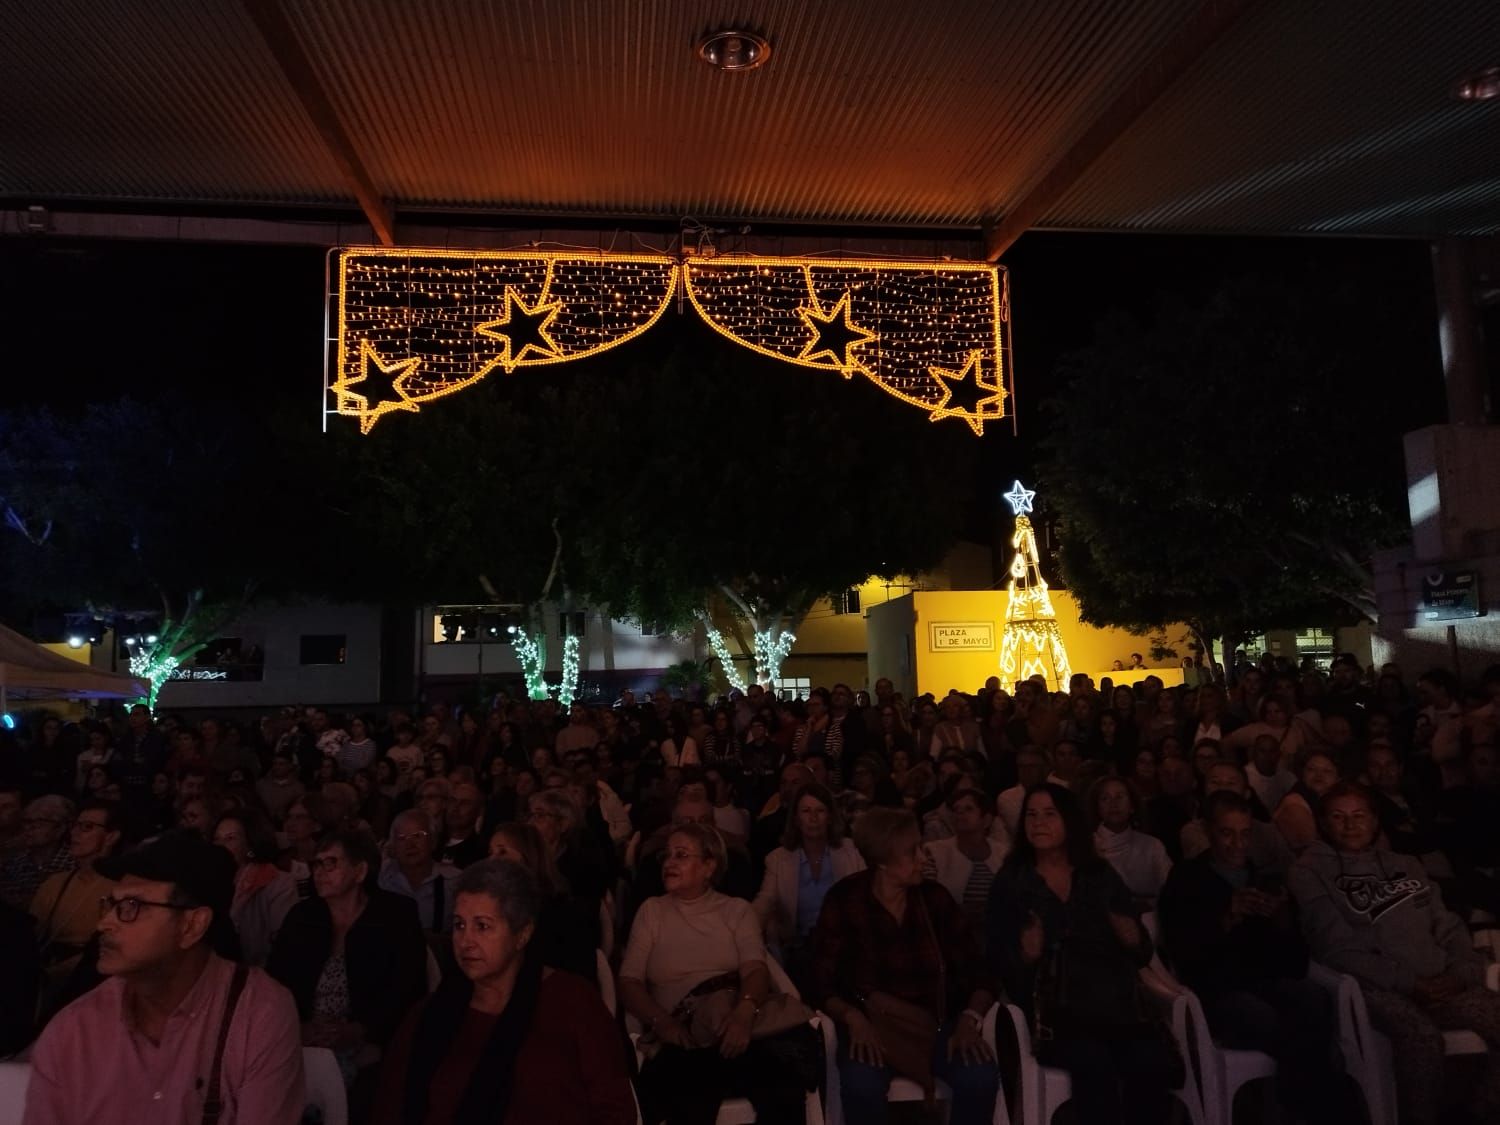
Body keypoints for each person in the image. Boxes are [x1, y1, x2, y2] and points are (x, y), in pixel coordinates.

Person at [23, 831, 304, 1124]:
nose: (105, 923)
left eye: (131, 907)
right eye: (110, 904)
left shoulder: (257, 1013)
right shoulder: (75, 1031)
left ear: (192, 925)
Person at [1290, 782, 1500, 1125]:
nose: (1350, 824)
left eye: (1359, 815)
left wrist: (1461, 970)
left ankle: (1477, 1113)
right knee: (1421, 1037)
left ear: (1374, 821)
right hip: (1375, 986)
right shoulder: (1309, 870)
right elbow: (1336, 948)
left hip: (1440, 982)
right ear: (1324, 823)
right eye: (1339, 817)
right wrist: (1408, 982)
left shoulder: (1406, 864)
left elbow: (1447, 925)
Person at [375, 859, 635, 1125]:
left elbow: (615, 1108)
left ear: (522, 934)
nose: (466, 941)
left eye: (482, 926)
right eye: (459, 925)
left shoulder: (573, 1003)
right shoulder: (433, 1014)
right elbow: (391, 1104)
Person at [987, 784, 1181, 1125]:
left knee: (1149, 1062)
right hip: (1055, 1011)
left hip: (1113, 1003)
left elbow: (1141, 952)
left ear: (1069, 821)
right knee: (1094, 1066)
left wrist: (1131, 936)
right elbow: (998, 962)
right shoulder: (1012, 881)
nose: (1038, 823)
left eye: (1049, 814)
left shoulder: (1098, 874)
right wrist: (1028, 955)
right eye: (1031, 815)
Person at [1159, 792, 1349, 1123]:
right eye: (1227, 833)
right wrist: (1226, 918)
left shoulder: (1263, 878)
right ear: (1209, 831)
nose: (1237, 844)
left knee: (1315, 1001)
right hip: (1217, 989)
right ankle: (1317, 1111)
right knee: (1272, 1022)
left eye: (1245, 834)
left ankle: (1297, 1108)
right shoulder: (1186, 879)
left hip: (1265, 980)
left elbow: (1294, 961)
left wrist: (1282, 919)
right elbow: (1184, 954)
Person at [811, 807, 999, 1125]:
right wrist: (852, 1017)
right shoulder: (846, 900)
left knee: (979, 1076)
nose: (923, 858)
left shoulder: (934, 899)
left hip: (936, 1025)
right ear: (882, 860)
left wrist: (970, 1018)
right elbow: (820, 981)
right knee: (861, 1085)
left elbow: (981, 971)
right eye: (912, 852)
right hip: (871, 1027)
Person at [621, 820, 814, 1124]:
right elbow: (629, 981)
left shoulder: (736, 910)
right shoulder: (652, 911)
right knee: (690, 1088)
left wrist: (743, 1014)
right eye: (666, 855)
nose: (669, 863)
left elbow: (755, 969)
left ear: (709, 866)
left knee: (781, 1087)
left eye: (681, 855)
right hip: (682, 1035)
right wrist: (662, 1022)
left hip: (732, 1025)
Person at [267, 827, 428, 1101]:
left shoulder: (395, 916)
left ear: (360, 871)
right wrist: (298, 1026)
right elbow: (276, 981)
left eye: (331, 863)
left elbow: (408, 987)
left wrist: (361, 1030)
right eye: (317, 864)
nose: (320, 872)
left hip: (371, 1039)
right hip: (303, 1036)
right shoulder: (302, 917)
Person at [753, 782, 865, 972]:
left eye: (820, 810)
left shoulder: (850, 851)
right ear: (796, 819)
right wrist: (745, 927)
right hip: (800, 949)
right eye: (806, 811)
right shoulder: (777, 859)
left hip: (844, 944)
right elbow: (765, 901)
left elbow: (865, 893)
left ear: (830, 817)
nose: (813, 818)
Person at [487, 821, 597, 980]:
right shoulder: (489, 908)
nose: (491, 861)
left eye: (502, 852)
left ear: (528, 858)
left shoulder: (563, 914)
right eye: (490, 853)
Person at [31, 799, 122, 990]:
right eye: (75, 826)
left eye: (87, 827)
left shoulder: (121, 888)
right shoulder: (55, 883)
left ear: (111, 837)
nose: (74, 833)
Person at [921, 785, 1009, 942]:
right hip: (951, 936)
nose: (960, 813)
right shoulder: (935, 852)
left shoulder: (1003, 854)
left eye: (968, 809)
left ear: (986, 820)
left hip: (996, 935)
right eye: (956, 809)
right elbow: (927, 900)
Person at [212, 810, 300, 966]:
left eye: (230, 838)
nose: (220, 846)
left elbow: (285, 945)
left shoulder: (278, 883)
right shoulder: (210, 882)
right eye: (216, 839)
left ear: (250, 843)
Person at [1180, 762, 1294, 875]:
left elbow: (1290, 867)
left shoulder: (1268, 832)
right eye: (1215, 782)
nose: (1222, 788)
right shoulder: (1194, 831)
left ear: (1247, 793)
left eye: (1231, 783)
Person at [1088, 776, 1172, 909]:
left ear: (1132, 806)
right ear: (1097, 808)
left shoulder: (1152, 846)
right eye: (1105, 798)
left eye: (1120, 797)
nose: (1113, 803)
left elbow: (1172, 889)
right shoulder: (1087, 847)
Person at [380, 809, 462, 936]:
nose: (410, 845)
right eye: (402, 838)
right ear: (393, 846)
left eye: (418, 836)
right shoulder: (381, 878)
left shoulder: (455, 883)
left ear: (433, 841)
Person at [0, 794, 75, 910]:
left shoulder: (73, 862)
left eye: (40, 822)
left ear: (60, 828)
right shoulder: (13, 865)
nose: (29, 828)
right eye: (27, 821)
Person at [1273, 748, 1341, 853]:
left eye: (1327, 771)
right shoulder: (1294, 806)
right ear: (1302, 774)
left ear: (1338, 778)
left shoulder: (1332, 801)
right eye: (1311, 769)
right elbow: (1310, 854)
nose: (1319, 775)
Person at [440, 780, 489, 868]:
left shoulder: (483, 853)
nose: (456, 807)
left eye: (465, 803)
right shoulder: (432, 843)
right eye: (453, 800)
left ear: (479, 811)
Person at [256, 751, 306, 823]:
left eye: (281, 764)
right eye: (275, 764)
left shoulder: (298, 787)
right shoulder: (261, 784)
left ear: (290, 766)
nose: (277, 767)